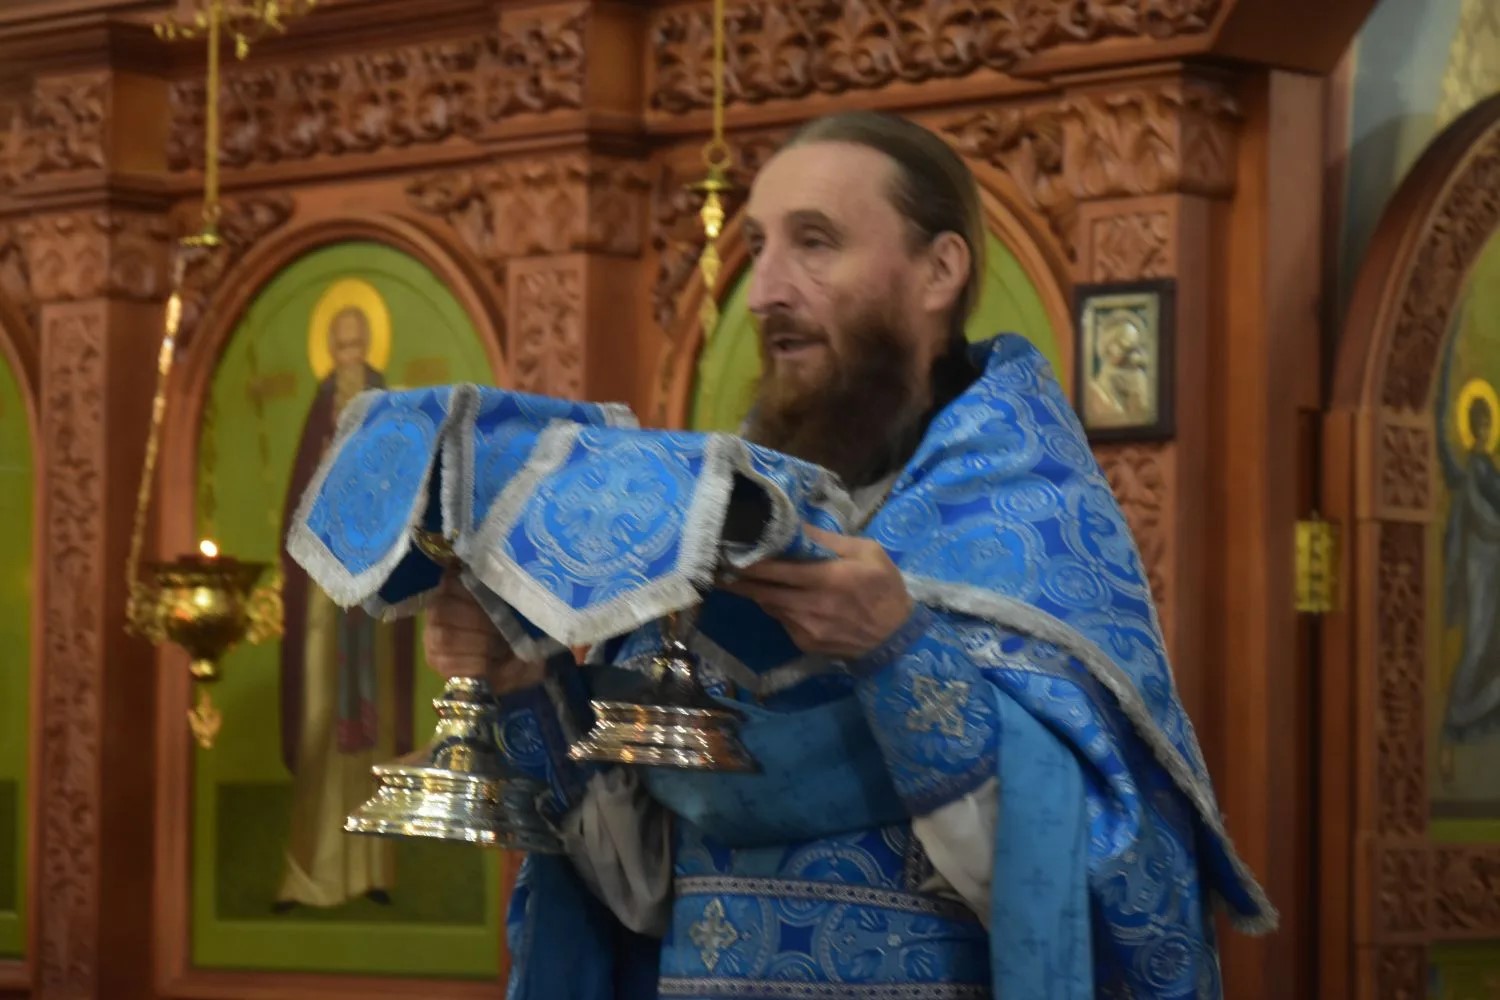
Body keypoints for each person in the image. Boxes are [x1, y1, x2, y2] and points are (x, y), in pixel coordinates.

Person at [423, 112, 1271, 998]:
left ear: (940, 271)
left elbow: (1108, 897)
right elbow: (631, 897)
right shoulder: (707, 525)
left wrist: (900, 656)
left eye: (815, 243)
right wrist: (530, 687)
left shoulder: (1032, 526)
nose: (763, 291)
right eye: (759, 246)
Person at [275, 305, 415, 911]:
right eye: (340, 350)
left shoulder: (388, 410)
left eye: (357, 348)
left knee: (372, 727)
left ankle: (373, 871)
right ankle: (307, 874)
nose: (348, 361)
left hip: (372, 589)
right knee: (319, 725)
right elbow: (297, 509)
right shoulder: (319, 413)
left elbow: (405, 496)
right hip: (321, 595)